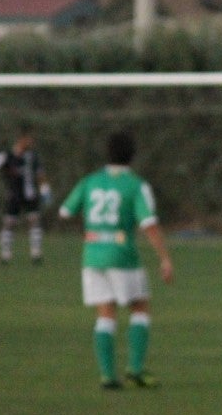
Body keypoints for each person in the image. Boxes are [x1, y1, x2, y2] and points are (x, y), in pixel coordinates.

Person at [59, 131, 174, 390]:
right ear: (132, 155)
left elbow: (65, 211)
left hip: (92, 255)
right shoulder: (135, 185)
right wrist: (165, 258)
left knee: (105, 314)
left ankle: (108, 376)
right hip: (122, 255)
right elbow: (149, 224)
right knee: (140, 307)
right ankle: (135, 369)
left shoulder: (90, 181)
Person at [0, 124, 51, 265]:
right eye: (28, 139)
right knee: (9, 223)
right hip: (14, 195)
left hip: (30, 195)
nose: (31, 142)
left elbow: (40, 174)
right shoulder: (5, 155)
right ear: (21, 139)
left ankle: (36, 254)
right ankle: (5, 255)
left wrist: (45, 191)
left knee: (34, 221)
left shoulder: (33, 156)